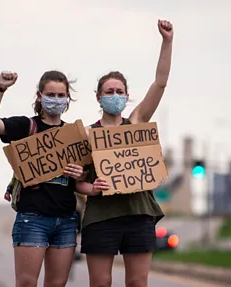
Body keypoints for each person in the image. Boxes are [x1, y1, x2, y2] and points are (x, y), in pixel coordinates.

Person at [75, 19, 174, 287]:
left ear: (127, 96)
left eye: (119, 91)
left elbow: (160, 83)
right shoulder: (85, 133)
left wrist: (167, 42)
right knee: (100, 283)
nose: (114, 95)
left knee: (138, 283)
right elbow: (77, 182)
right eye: (109, 91)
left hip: (138, 214)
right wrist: (91, 188)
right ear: (99, 97)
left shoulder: (137, 122)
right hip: (101, 217)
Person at [0, 70, 86, 287]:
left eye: (60, 95)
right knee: (27, 283)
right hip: (32, 219)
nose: (56, 100)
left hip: (66, 221)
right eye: (51, 94)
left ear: (68, 98)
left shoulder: (73, 134)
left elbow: (83, 177)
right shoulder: (25, 127)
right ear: (40, 96)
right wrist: (0, 88)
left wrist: (80, 174)